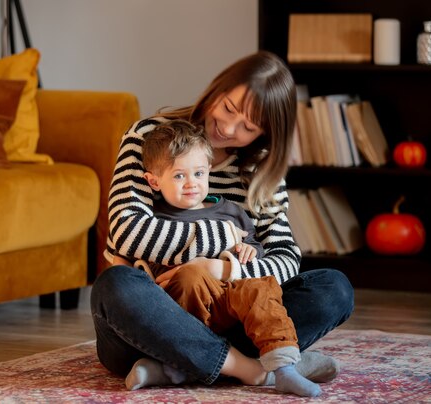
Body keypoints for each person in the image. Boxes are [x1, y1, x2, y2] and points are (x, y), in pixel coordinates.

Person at [91, 50, 354, 390]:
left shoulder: (263, 169)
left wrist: (223, 271)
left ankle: (184, 363)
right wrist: (225, 237)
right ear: (217, 90)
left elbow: (286, 259)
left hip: (230, 312)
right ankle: (252, 367)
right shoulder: (149, 137)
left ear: (265, 133)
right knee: (117, 285)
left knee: (334, 288)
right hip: (151, 321)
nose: (228, 128)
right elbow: (128, 233)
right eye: (228, 108)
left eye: (248, 126)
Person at [120, 119, 320, 396]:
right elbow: (136, 259)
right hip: (181, 310)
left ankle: (283, 367)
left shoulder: (230, 211)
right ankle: (194, 362)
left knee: (260, 286)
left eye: (199, 174)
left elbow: (254, 249)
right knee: (191, 274)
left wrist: (247, 251)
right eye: (179, 176)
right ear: (154, 181)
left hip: (228, 304)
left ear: (209, 171)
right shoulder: (156, 218)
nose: (192, 184)